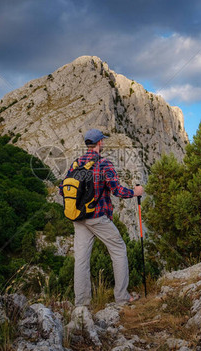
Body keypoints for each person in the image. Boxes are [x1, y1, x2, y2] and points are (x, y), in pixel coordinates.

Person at [60, 128, 144, 307]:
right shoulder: (104, 164)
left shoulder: (76, 164)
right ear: (99, 143)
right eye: (102, 141)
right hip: (98, 217)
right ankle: (122, 297)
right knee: (119, 249)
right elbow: (117, 190)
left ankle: (82, 304)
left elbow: (63, 189)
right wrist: (135, 192)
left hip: (78, 218)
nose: (103, 143)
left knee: (81, 259)